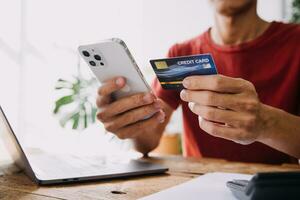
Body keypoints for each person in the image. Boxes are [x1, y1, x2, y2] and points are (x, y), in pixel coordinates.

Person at [96, 0, 300, 164]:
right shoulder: (181, 53)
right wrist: (130, 120)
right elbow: (147, 140)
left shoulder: (296, 42)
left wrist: (266, 123)